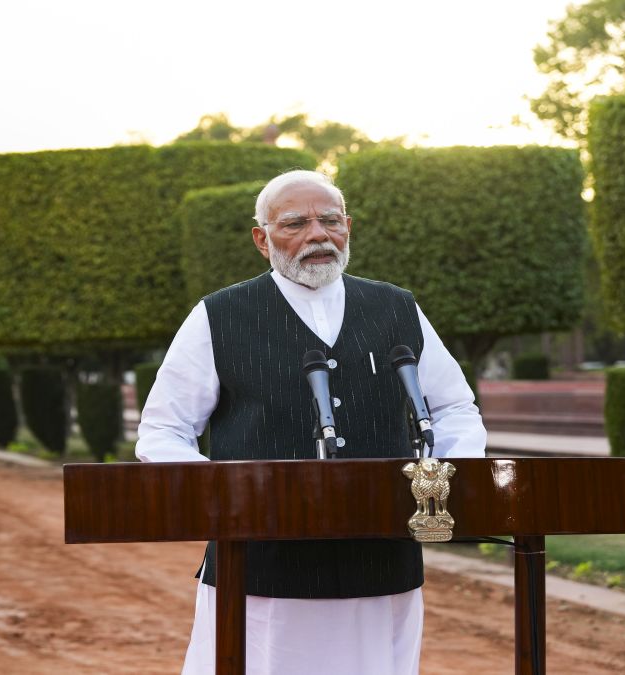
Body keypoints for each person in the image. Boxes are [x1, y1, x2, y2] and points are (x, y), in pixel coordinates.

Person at [136, 170, 486, 674]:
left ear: (348, 227)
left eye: (330, 221)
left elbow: (453, 406)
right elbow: (163, 430)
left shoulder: (396, 307)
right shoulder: (219, 315)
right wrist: (225, 497)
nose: (318, 235)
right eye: (295, 223)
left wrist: (451, 476)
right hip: (261, 566)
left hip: (380, 557)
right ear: (262, 239)